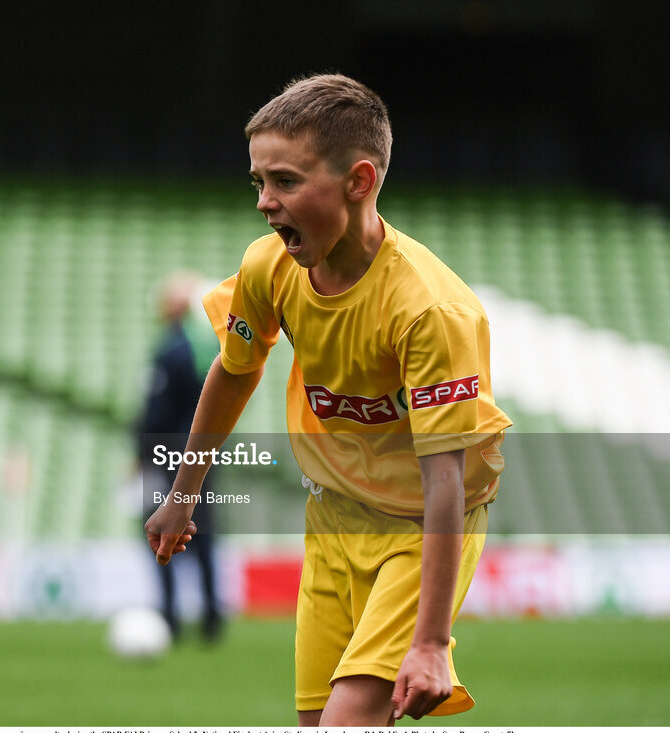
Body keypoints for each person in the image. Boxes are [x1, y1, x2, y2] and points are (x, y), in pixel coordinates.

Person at [145, 74, 511, 725]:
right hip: (333, 521)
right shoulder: (269, 267)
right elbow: (235, 371)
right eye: (257, 182)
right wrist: (183, 492)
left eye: (284, 181)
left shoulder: (430, 308)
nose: (264, 201)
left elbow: (446, 475)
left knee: (346, 723)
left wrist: (430, 642)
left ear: (359, 181)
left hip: (416, 532)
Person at [136, 271, 224, 642]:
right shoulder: (207, 347)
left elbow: (154, 412)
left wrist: (142, 454)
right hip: (207, 452)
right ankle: (211, 615)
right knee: (203, 533)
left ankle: (170, 615)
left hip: (170, 452)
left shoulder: (172, 349)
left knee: (162, 531)